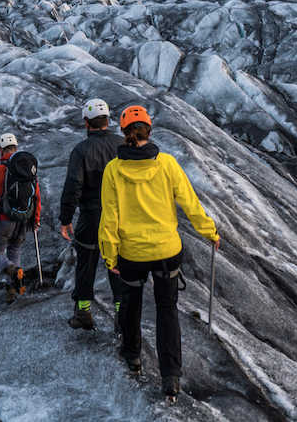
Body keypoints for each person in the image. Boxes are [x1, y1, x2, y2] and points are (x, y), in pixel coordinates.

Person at [99, 106, 219, 399]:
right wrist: (209, 231)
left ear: (124, 133)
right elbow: (189, 202)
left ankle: (132, 356)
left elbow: (110, 216)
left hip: (132, 253)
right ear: (149, 131)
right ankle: (171, 377)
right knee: (167, 310)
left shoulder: (113, 169)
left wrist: (109, 255)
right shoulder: (166, 164)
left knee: (130, 304)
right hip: (167, 251)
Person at [59, 98, 124, 331]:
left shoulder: (82, 150)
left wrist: (65, 219)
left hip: (92, 216)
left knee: (86, 261)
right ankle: (121, 314)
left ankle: (84, 312)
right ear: (108, 120)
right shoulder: (123, 144)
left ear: (87, 124)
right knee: (117, 262)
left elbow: (74, 185)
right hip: (120, 216)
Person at [0, 132, 42, 304]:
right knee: (14, 252)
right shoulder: (27, 170)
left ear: (1, 150)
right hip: (23, 221)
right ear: (16, 148)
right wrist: (36, 219)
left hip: (3, 221)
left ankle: (12, 271)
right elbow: (36, 196)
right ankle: (12, 290)